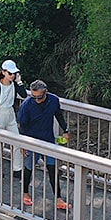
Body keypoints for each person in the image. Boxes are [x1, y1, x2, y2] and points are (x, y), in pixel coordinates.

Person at [17, 79, 71, 210]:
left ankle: (58, 198)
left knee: (53, 169)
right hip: (31, 141)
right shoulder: (27, 105)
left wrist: (66, 130)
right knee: (28, 168)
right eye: (34, 97)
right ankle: (25, 193)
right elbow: (22, 126)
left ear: (46, 92)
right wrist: (23, 144)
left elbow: (58, 114)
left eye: (39, 97)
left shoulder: (53, 100)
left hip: (48, 140)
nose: (37, 100)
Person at [0, 59, 27, 174]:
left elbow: (23, 94)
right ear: (4, 72)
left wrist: (19, 82)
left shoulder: (14, 83)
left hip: (10, 113)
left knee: (17, 140)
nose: (12, 76)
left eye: (14, 73)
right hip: (0, 113)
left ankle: (17, 168)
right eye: (10, 73)